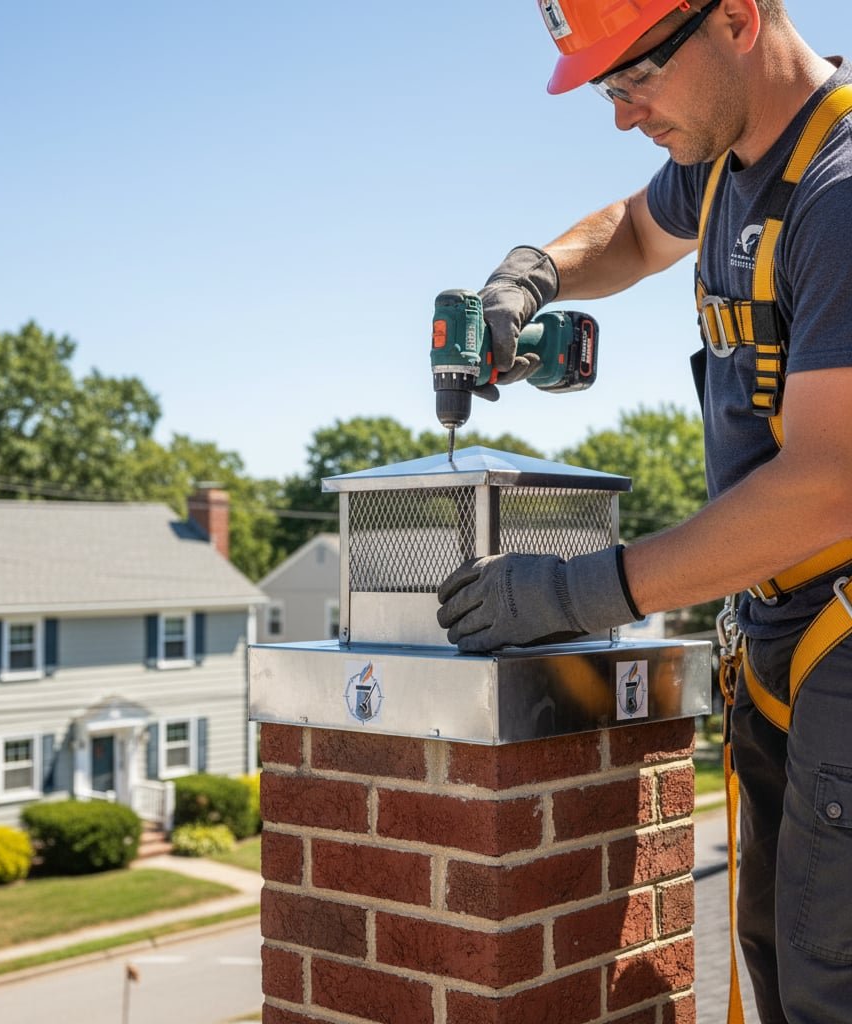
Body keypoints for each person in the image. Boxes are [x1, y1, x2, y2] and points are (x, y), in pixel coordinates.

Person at [435, 2, 852, 1021]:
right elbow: (628, 230)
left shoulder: (839, 196)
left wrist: (577, 591)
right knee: (771, 954)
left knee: (828, 986)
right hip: (776, 630)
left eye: (633, 79)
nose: (622, 116)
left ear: (739, 20)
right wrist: (529, 277)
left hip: (841, 626)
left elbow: (826, 482)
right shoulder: (722, 161)